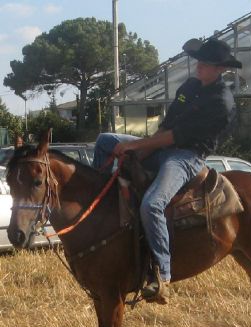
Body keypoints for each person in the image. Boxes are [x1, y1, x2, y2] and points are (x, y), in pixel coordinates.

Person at [93, 38, 242, 303]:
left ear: (220, 69)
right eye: (199, 61)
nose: (199, 67)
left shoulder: (221, 102)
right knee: (105, 141)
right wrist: (141, 150)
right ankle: (101, 201)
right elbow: (167, 126)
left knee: (152, 204)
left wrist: (137, 147)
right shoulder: (190, 86)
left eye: (205, 64)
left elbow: (176, 137)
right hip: (164, 145)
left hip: (187, 156)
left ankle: (162, 274)